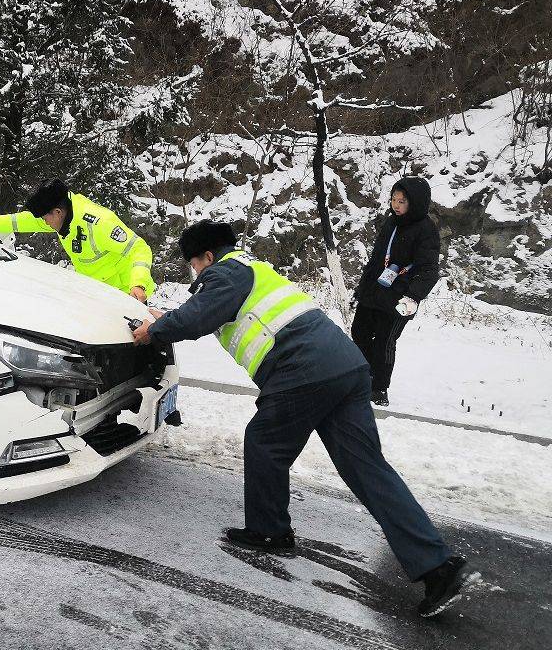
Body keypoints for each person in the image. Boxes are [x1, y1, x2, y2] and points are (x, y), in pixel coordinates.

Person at [131, 219, 476, 617]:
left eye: (194, 265)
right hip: (345, 366)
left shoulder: (226, 271)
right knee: (368, 469)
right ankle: (438, 566)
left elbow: (196, 318)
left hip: (303, 369)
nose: (196, 273)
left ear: (207, 256)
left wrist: (153, 332)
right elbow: (203, 310)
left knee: (264, 442)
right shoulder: (252, 270)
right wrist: (164, 316)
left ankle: (269, 530)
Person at [0, 178, 155, 302]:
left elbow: (140, 248)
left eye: (45, 219)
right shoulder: (61, 214)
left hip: (129, 295)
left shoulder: (98, 223)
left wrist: (138, 284)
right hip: (99, 293)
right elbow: (24, 220)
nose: (44, 223)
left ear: (57, 212)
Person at [351, 177, 441, 406]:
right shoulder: (391, 222)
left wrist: (412, 296)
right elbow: (375, 260)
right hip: (375, 291)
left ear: (416, 202)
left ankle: (379, 389)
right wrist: (361, 289)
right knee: (359, 333)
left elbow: (429, 269)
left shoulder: (426, 228)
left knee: (384, 342)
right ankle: (362, 379)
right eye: (394, 199)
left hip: (399, 297)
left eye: (402, 201)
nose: (396, 205)